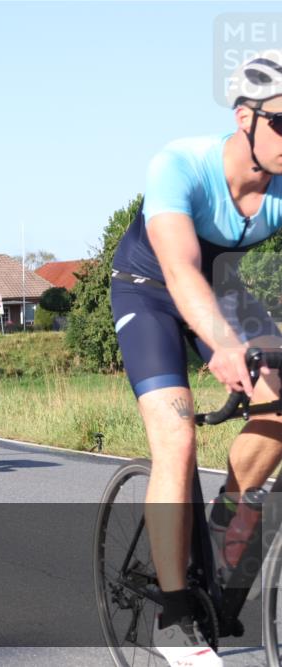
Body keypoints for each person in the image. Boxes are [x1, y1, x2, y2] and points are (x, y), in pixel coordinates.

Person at [109, 50, 282, 667]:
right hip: (149, 290)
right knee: (177, 439)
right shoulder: (180, 164)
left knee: (278, 406)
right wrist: (225, 345)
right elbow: (181, 271)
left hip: (222, 291)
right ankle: (173, 613)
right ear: (245, 118)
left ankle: (226, 522)